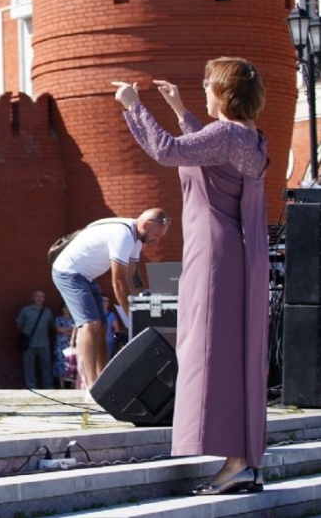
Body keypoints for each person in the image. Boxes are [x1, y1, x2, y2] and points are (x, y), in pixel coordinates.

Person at [115, 57, 269, 494]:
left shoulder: (225, 135)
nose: (203, 88)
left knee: (210, 351)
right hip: (239, 254)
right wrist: (180, 109)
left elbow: (169, 151)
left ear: (222, 91)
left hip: (215, 255)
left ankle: (236, 461)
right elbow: (207, 150)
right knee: (237, 353)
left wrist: (133, 105)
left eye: (207, 84)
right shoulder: (250, 136)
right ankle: (245, 460)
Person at [50, 208, 170, 388]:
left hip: (87, 277)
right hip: (68, 272)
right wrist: (131, 317)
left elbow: (132, 279)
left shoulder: (136, 240)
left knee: (103, 324)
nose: (156, 241)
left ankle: (103, 382)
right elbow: (119, 282)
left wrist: (144, 304)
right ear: (145, 225)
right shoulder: (123, 236)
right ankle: (90, 386)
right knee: (91, 324)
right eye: (156, 235)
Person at [14, 290, 52, 390]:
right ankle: (31, 386)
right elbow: (19, 324)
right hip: (29, 344)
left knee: (46, 366)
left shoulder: (47, 312)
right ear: (33, 298)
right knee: (29, 366)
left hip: (44, 344)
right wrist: (26, 334)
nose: (39, 299)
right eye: (37, 296)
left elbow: (51, 325)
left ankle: (48, 386)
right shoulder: (26, 310)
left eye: (42, 297)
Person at [53, 303, 74, 388]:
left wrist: (66, 330)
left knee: (72, 364)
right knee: (60, 364)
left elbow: (75, 330)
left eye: (68, 307)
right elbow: (59, 329)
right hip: (60, 345)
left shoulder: (74, 319)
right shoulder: (58, 319)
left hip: (71, 345)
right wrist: (69, 330)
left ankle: (72, 385)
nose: (66, 309)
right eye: (65, 307)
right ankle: (62, 386)